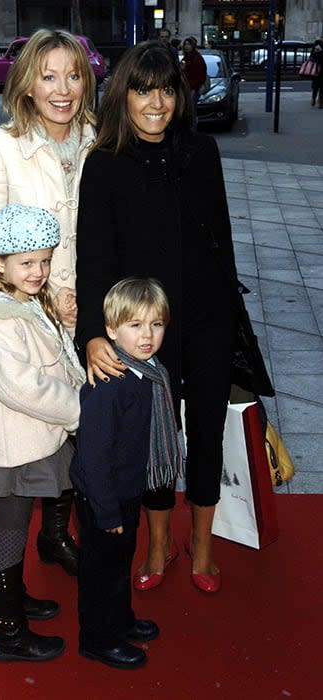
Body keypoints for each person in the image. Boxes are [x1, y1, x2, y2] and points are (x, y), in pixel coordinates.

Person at [75, 40, 243, 595]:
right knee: (154, 435)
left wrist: (236, 324)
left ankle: (202, 549)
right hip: (146, 331)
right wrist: (94, 334)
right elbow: (94, 257)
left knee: (208, 429)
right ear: (123, 94)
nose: (156, 102)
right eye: (143, 89)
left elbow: (221, 244)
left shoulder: (201, 153)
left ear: (180, 95)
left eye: (167, 89)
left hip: (208, 318)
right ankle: (156, 544)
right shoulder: (103, 164)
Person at [0, 28, 96, 599]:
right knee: (9, 445)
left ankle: (56, 536)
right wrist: (41, 293)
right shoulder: (0, 145)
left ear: (87, 80)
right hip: (21, 309)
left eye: (73, 74)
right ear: (27, 84)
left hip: (86, 309)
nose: (62, 89)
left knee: (70, 437)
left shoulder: (99, 137)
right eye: (48, 75)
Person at [0, 203, 86, 661]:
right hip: (14, 449)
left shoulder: (24, 305)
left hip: (30, 440)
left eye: (45, 260)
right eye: (27, 263)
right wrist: (77, 409)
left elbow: (49, 354)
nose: (39, 270)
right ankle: (9, 633)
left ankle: (16, 598)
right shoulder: (2, 321)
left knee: (18, 526)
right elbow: (22, 387)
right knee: (10, 533)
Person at [70, 277, 181, 669]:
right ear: (112, 330)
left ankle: (119, 619)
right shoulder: (111, 384)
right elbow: (93, 456)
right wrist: (106, 512)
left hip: (127, 489)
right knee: (102, 572)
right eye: (135, 326)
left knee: (120, 564)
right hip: (105, 496)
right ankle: (99, 639)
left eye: (156, 324)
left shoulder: (149, 370)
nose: (147, 335)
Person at [180, 36, 207, 127]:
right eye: (185, 44)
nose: (187, 46)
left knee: (191, 112)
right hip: (184, 88)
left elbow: (201, 75)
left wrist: (193, 88)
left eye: (189, 44)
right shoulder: (185, 59)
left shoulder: (197, 58)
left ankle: (192, 131)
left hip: (192, 88)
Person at [310, 38, 323, 108]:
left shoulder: (318, 42)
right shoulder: (318, 42)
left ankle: (319, 101)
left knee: (320, 85)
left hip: (319, 66)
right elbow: (312, 54)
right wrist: (316, 52)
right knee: (316, 85)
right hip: (317, 66)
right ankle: (314, 99)